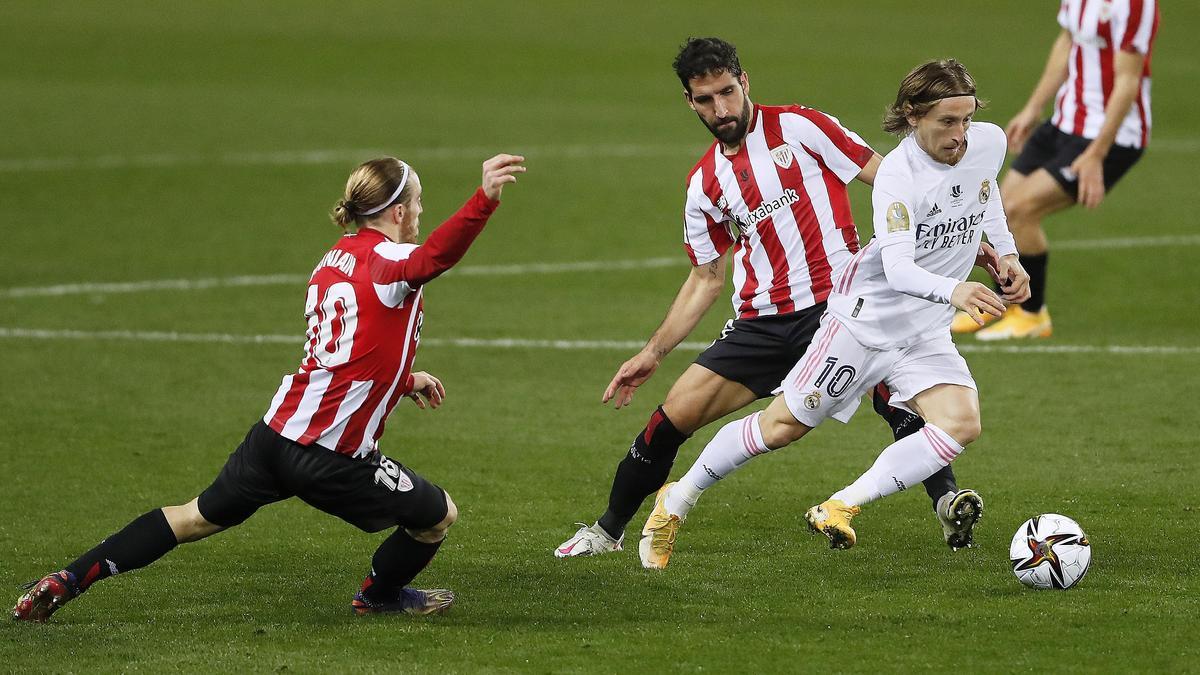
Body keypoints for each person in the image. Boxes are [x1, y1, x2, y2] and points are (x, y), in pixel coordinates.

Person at [12, 153, 527, 622]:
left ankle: (70, 578)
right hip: (332, 456)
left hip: (276, 436)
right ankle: (378, 596)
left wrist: (404, 380)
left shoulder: (333, 260)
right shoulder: (389, 260)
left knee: (190, 517)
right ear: (396, 212)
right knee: (437, 517)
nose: (420, 213)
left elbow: (345, 355)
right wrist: (484, 200)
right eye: (417, 203)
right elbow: (434, 257)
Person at [555, 37, 985, 561]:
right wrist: (653, 353)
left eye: (728, 92)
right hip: (761, 324)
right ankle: (608, 530)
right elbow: (705, 279)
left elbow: (892, 179)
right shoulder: (704, 184)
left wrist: (965, 240)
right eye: (707, 99)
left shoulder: (800, 128)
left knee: (901, 401)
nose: (722, 109)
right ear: (689, 102)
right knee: (669, 421)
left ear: (745, 81)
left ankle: (946, 502)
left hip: (839, 308)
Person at [639, 59, 1031, 568]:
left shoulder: (988, 142)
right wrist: (955, 290)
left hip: (923, 329)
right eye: (947, 123)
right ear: (913, 117)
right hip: (866, 321)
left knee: (960, 423)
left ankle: (840, 506)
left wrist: (1006, 254)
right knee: (782, 428)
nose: (960, 135)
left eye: (966, 119)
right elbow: (898, 268)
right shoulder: (896, 176)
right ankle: (677, 499)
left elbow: (987, 194)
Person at [953, 0, 1159, 340]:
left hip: (1113, 135)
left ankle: (1033, 315)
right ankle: (1001, 304)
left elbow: (1128, 80)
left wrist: (1096, 154)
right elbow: (1066, 42)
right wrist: (1034, 107)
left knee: (1022, 210)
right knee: (1000, 208)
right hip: (1065, 121)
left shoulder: (1134, 5)